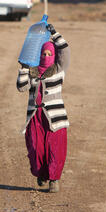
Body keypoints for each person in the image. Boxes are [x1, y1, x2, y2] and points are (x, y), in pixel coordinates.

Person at [16, 24, 70, 193]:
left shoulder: (58, 70)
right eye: (43, 54)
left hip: (54, 117)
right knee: (35, 147)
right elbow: (21, 87)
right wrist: (24, 68)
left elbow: (65, 51)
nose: (46, 56)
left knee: (55, 148)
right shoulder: (32, 71)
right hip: (35, 117)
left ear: (54, 56)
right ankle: (42, 174)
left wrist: (54, 34)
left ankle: (54, 180)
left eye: (49, 54)